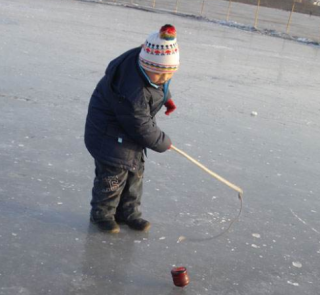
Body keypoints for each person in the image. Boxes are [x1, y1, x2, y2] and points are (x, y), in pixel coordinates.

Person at [84, 24, 180, 233]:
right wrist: (162, 142)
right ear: (145, 66)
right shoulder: (131, 90)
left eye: (169, 75)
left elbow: (157, 85)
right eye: (159, 75)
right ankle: (102, 214)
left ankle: (128, 213)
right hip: (108, 135)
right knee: (113, 177)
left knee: (135, 173)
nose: (164, 79)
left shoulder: (148, 62)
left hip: (127, 132)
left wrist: (166, 98)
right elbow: (141, 126)